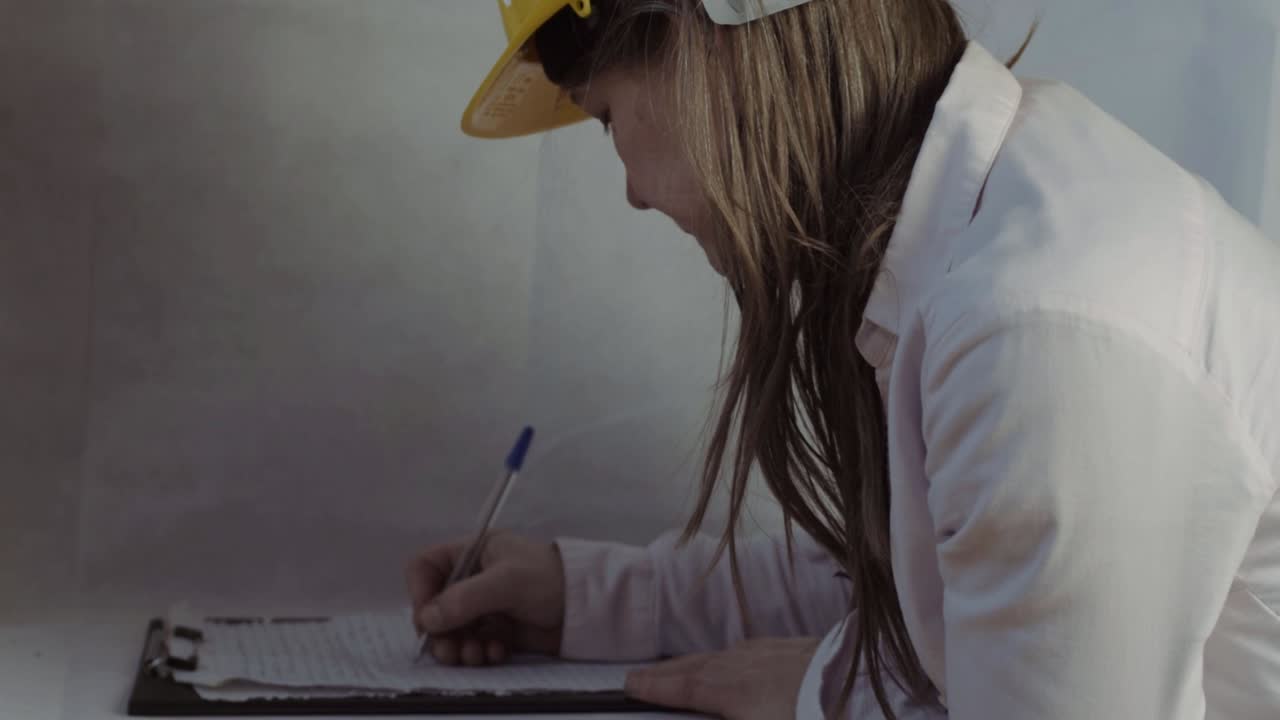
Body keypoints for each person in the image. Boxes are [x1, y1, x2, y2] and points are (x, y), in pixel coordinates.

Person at [405, 1, 1280, 717]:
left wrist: (829, 693)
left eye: (605, 120)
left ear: (690, 36)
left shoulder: (1035, 327)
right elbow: (937, 575)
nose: (631, 191)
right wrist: (595, 598)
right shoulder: (984, 225)